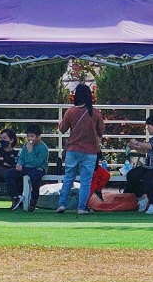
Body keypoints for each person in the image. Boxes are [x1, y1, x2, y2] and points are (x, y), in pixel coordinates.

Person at [57, 83, 105, 215]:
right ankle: (81, 207)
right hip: (90, 151)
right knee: (86, 181)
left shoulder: (71, 111)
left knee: (68, 178)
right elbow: (101, 131)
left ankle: (61, 204)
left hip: (73, 149)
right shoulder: (95, 113)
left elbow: (62, 129)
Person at [11, 125, 49, 211]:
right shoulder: (26, 145)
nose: (29, 139)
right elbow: (22, 157)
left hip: (37, 168)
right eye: (28, 136)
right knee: (9, 173)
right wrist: (19, 164)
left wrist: (31, 151)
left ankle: (34, 199)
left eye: (32, 136)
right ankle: (16, 197)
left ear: (39, 137)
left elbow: (37, 163)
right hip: (26, 167)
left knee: (36, 176)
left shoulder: (43, 148)